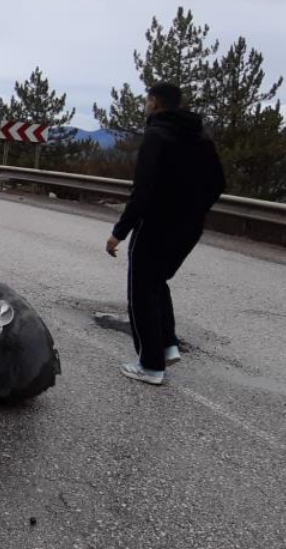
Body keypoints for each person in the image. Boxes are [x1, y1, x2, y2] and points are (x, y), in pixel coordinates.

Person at [105, 82, 225, 386]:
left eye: (147, 101)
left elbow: (142, 190)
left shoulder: (156, 136)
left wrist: (119, 232)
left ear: (155, 102)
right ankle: (168, 345)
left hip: (156, 225)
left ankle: (150, 365)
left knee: (141, 292)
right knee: (157, 283)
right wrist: (194, 210)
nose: (146, 106)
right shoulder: (200, 136)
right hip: (190, 227)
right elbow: (218, 183)